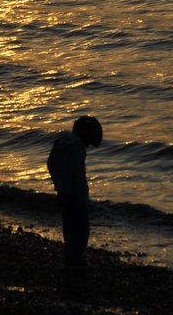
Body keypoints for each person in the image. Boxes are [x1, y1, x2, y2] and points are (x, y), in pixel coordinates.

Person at [46, 115, 103, 268]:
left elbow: (50, 163)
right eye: (88, 143)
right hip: (75, 194)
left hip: (63, 191)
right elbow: (78, 173)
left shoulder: (61, 142)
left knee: (69, 226)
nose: (87, 147)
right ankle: (75, 259)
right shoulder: (77, 147)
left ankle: (70, 257)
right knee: (82, 228)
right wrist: (82, 193)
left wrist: (58, 182)